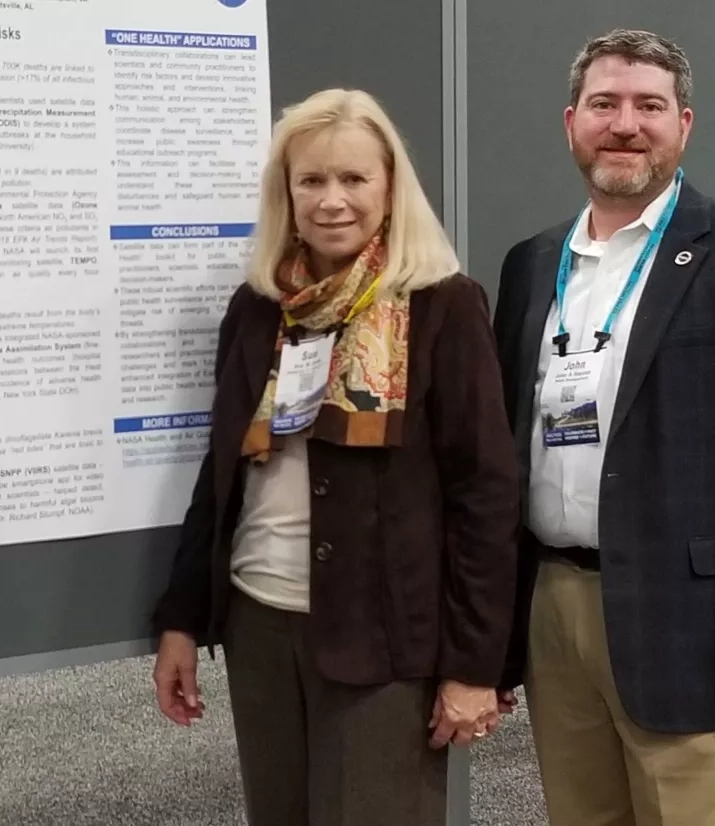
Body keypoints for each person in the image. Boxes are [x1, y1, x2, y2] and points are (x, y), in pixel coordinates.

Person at [492, 28, 715, 826]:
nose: (626, 124)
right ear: (571, 122)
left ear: (684, 125)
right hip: (554, 607)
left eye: (650, 106)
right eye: (604, 104)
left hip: (694, 621)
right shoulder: (531, 264)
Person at [149, 88, 519, 826]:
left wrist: (477, 668)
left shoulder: (442, 306)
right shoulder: (257, 309)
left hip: (384, 636)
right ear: (285, 192)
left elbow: (486, 495)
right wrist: (182, 620)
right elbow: (219, 473)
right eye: (311, 180)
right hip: (261, 621)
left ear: (391, 186)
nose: (332, 201)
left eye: (354, 179)